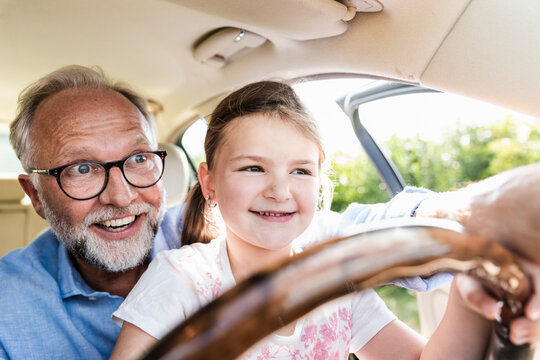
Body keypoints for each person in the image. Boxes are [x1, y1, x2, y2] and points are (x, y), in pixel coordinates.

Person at [1, 66, 538, 359]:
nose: (120, 194)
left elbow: (397, 230)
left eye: (301, 172)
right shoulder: (183, 276)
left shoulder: (338, 269)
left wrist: (475, 288)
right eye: (81, 169)